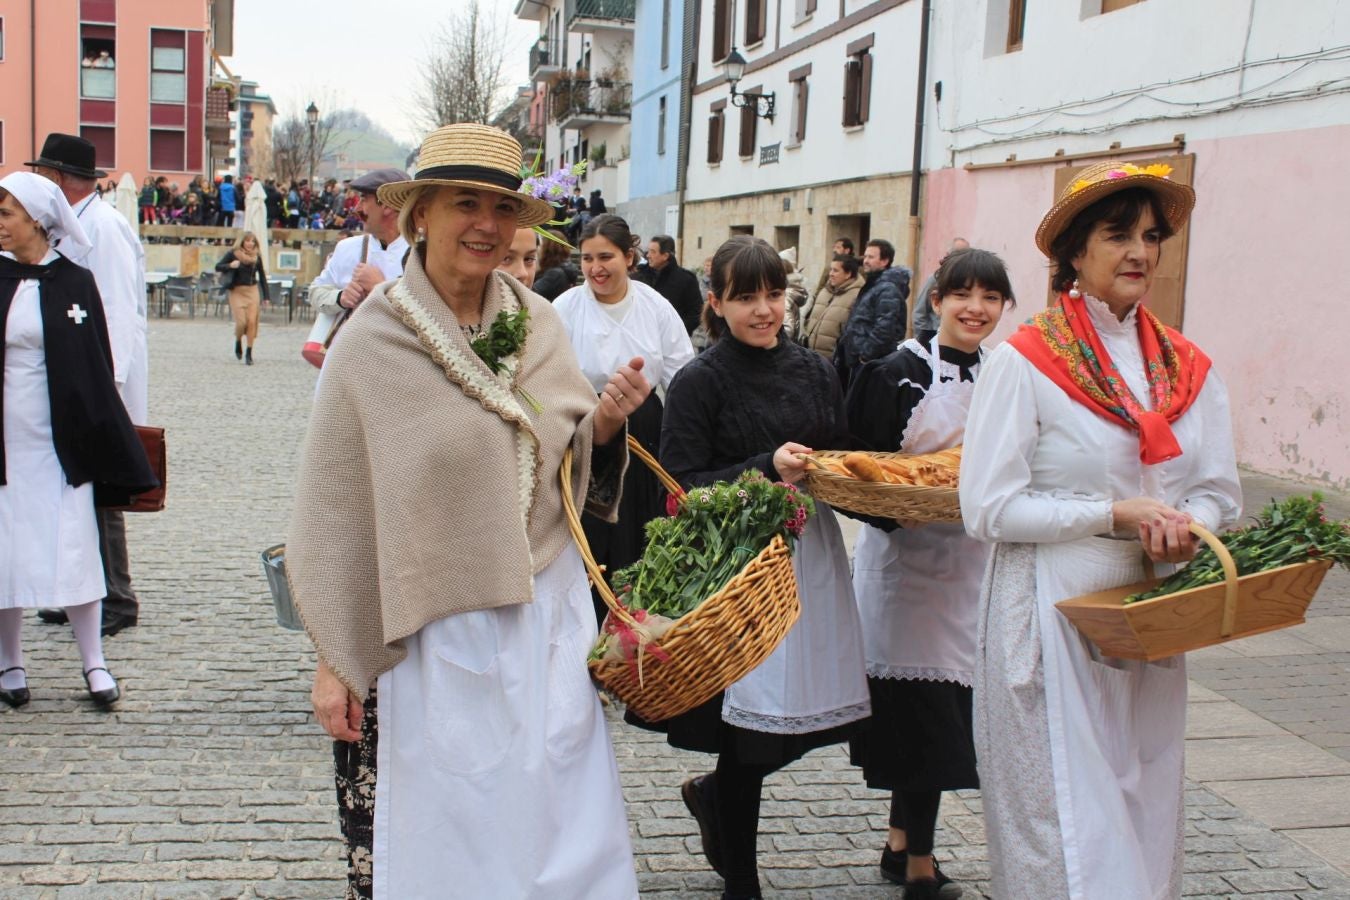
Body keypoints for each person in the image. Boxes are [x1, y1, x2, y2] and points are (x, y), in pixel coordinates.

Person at [287, 123, 648, 899]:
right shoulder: (373, 340)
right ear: (419, 213)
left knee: (559, 836)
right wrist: (334, 658)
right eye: (464, 203)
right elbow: (340, 507)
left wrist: (606, 425)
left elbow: (567, 465)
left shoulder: (539, 323)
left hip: (545, 618)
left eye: (500, 207)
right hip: (433, 633)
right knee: (452, 844)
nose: (486, 224)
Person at [960, 162, 1242, 899]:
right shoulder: (1024, 362)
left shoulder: (1188, 368)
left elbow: (1218, 490)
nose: (1140, 252)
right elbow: (986, 508)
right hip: (1052, 606)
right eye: (1117, 235)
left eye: (1150, 235)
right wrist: (1112, 513)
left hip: (1151, 611)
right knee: (1066, 815)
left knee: (1146, 795)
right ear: (1075, 254)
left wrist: (1189, 524)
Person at [645, 235, 870, 900]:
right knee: (747, 730)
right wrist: (765, 469)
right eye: (746, 297)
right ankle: (740, 878)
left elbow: (839, 451)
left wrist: (894, 492)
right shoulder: (698, 383)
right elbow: (682, 488)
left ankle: (715, 796)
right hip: (740, 570)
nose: (764, 309)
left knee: (825, 712)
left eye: (774, 294)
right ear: (715, 302)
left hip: (813, 561)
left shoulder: (814, 369)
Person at [846, 248, 1015, 900]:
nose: (976, 309)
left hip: (975, 569)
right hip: (907, 576)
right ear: (938, 298)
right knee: (923, 723)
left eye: (991, 298)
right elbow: (855, 472)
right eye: (963, 294)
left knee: (945, 717)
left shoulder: (1009, 376)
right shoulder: (895, 373)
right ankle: (919, 864)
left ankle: (901, 845)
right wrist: (901, 511)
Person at [0, 173, 157, 708]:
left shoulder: (74, 282)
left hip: (59, 440)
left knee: (74, 547)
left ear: (38, 221)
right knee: (7, 548)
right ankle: (10, 662)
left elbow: (95, 365)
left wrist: (108, 439)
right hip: (5, 441)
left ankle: (94, 662)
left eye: (7, 214)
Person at [28, 132, 149, 639]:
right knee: (72, 486)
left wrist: (110, 390)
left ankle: (117, 597)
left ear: (57, 179)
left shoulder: (105, 226)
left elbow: (119, 311)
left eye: (42, 176)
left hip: (100, 380)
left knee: (100, 489)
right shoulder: (68, 228)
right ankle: (79, 590)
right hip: (75, 375)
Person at [554, 214, 694, 624]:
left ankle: (638, 626)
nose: (595, 268)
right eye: (586, 258)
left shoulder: (654, 306)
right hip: (587, 433)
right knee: (593, 534)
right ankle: (590, 622)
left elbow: (681, 375)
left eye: (605, 257)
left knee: (640, 529)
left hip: (646, 435)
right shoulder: (565, 308)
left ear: (629, 257)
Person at [309, 169, 409, 321]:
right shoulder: (346, 248)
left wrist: (380, 287)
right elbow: (316, 292)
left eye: (364, 200)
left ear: (387, 205)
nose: (357, 209)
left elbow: (434, 315)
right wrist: (341, 297)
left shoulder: (424, 255)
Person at [835, 238, 911, 388]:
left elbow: (885, 327)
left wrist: (865, 356)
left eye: (871, 257)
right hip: (855, 360)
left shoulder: (888, 289)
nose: (865, 261)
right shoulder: (874, 284)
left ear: (884, 261)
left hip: (868, 364)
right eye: (865, 256)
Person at [215, 232, 270, 365]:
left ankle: (249, 353)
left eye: (253, 241)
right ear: (242, 242)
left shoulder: (257, 257)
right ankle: (238, 340)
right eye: (247, 241)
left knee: (251, 322)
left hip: (252, 291)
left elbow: (262, 276)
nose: (250, 243)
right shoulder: (233, 254)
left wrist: (266, 297)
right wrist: (230, 265)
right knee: (241, 322)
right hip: (237, 291)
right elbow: (218, 266)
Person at [800, 253, 863, 361]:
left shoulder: (857, 296)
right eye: (831, 270)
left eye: (835, 270)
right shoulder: (824, 292)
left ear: (848, 274)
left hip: (834, 362)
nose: (830, 274)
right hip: (811, 357)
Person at [636, 234, 703, 335]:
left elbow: (696, 313)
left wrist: (675, 332)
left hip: (673, 343)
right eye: (648, 251)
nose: (648, 255)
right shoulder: (638, 277)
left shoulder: (686, 280)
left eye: (653, 252)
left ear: (665, 256)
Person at [912, 238, 970, 336]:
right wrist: (924, 339)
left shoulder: (969, 280)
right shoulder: (935, 279)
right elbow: (919, 313)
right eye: (958, 254)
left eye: (965, 255)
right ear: (948, 255)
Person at [531, 230, 580, 301]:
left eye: (540, 245)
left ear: (547, 249)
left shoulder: (555, 274)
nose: (537, 249)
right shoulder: (563, 270)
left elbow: (529, 295)